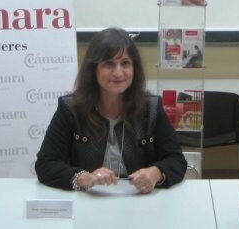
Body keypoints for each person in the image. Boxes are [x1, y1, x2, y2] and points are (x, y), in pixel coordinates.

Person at [36, 27, 187, 192]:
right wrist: (84, 177)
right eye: (108, 64)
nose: (118, 72)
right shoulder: (71, 109)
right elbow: (45, 164)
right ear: (93, 70)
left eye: (125, 63)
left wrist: (155, 173)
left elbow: (176, 160)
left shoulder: (151, 109)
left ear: (134, 69)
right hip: (89, 200)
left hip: (139, 201)